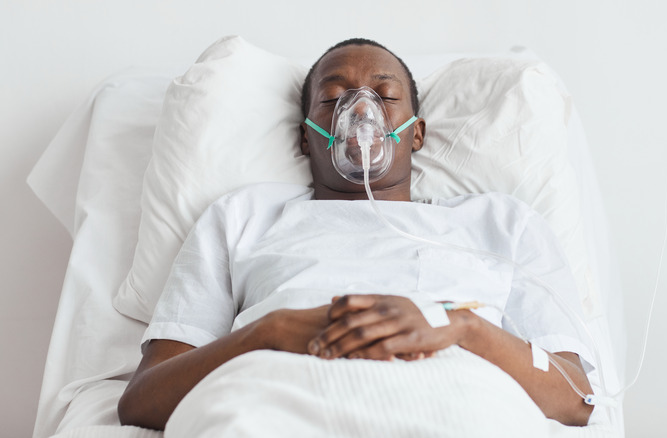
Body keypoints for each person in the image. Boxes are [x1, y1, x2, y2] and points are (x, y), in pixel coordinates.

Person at [117, 38, 595, 431]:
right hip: (270, 399)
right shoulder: (243, 216)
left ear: (416, 133)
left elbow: (577, 397)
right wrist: (270, 331)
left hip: (458, 402)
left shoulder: (500, 223)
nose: (360, 112)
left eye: (385, 97)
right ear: (306, 137)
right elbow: (143, 399)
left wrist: (460, 327)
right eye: (332, 98)